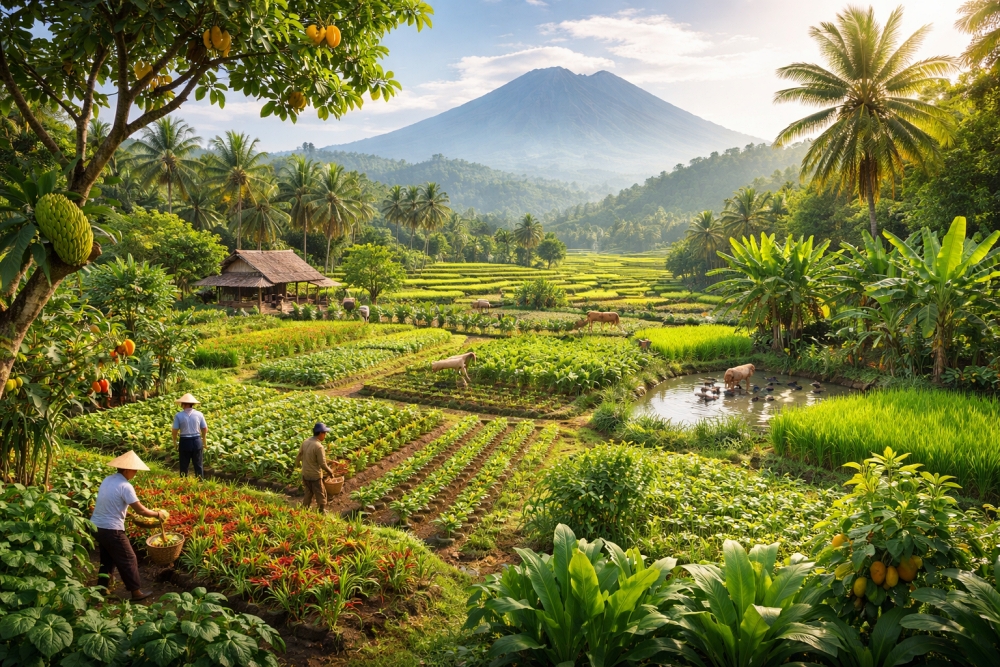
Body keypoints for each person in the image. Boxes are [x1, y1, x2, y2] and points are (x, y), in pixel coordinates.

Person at [90, 450, 167, 601]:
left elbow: (111, 503)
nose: (136, 472)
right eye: (134, 470)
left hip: (96, 526)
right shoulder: (125, 486)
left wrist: (127, 514)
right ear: (126, 469)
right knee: (129, 558)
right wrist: (158, 514)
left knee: (107, 558)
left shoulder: (108, 480)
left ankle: (101, 589)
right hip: (111, 529)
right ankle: (136, 592)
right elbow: (140, 510)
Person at [295, 422, 334, 512]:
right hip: (315, 476)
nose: (325, 436)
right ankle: (321, 510)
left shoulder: (306, 442)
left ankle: (305, 508)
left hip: (305, 474)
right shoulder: (319, 446)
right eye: (325, 433)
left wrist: (297, 465)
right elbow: (322, 463)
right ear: (321, 433)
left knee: (308, 492)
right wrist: (330, 472)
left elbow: (299, 456)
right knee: (321, 493)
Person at [171, 393, 207, 479]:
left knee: (184, 464)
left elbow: (174, 430)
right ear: (192, 404)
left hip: (185, 441)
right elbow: (205, 428)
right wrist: (204, 439)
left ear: (183, 404)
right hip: (197, 441)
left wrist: (175, 441)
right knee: (198, 464)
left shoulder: (179, 415)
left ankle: (184, 482)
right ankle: (200, 483)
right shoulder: (199, 414)